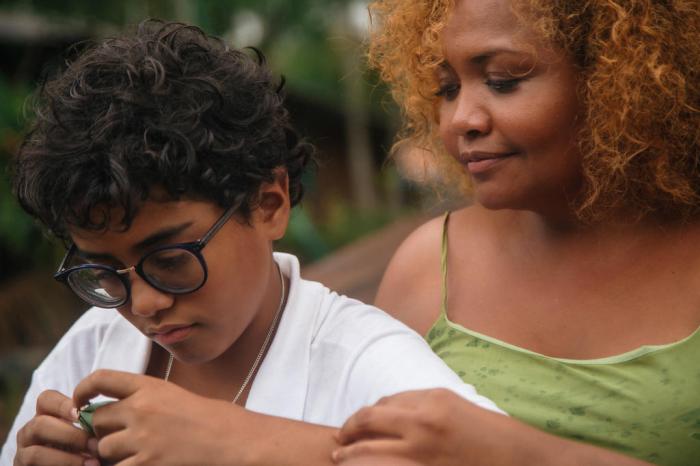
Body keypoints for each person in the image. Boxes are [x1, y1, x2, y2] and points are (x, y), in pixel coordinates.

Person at [0, 20, 503, 466]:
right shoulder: (93, 346)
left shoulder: (363, 361)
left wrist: (248, 445)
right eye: (106, 272)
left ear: (268, 204)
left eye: (172, 259)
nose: (145, 303)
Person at [332, 0, 700, 465]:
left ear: (619, 78)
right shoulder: (427, 269)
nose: (462, 119)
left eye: (503, 81)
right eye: (447, 88)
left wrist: (510, 450)